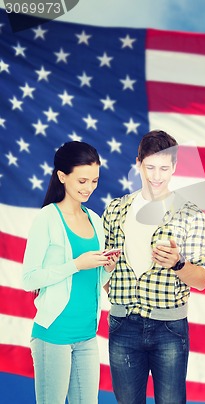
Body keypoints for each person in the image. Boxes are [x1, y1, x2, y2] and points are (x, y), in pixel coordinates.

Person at [103, 129, 205, 404]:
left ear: (174, 167)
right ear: (138, 163)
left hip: (169, 329)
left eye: (164, 168)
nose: (156, 176)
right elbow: (104, 267)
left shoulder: (191, 214)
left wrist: (178, 263)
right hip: (123, 324)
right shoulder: (116, 210)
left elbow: (201, 279)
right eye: (150, 167)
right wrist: (114, 288)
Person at [22, 141, 118, 404]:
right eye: (82, 181)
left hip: (87, 335)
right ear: (62, 177)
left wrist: (107, 269)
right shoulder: (47, 218)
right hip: (53, 335)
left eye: (95, 181)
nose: (89, 188)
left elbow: (93, 281)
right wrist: (76, 264)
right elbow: (29, 278)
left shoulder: (96, 220)